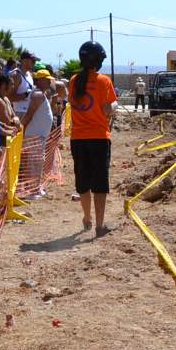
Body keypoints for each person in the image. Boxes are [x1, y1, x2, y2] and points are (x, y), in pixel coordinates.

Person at [69, 41, 117, 237]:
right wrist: (114, 107)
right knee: (100, 183)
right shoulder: (103, 81)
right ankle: (99, 225)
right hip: (99, 137)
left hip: (78, 138)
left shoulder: (73, 80)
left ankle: (86, 218)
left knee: (83, 181)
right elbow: (107, 109)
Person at [11, 51, 38, 120]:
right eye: (33, 61)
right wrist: (26, 94)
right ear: (24, 61)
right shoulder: (16, 75)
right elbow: (9, 97)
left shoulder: (29, 74)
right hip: (18, 112)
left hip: (28, 111)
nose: (34, 63)